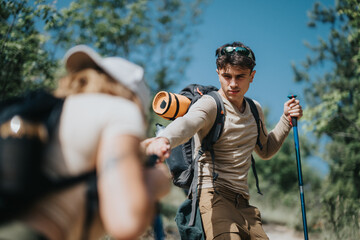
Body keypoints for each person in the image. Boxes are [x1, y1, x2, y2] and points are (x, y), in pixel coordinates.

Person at [0, 45, 171, 240]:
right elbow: (126, 222)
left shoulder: (55, 109)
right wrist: (154, 183)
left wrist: (138, 154)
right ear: (136, 99)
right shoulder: (122, 109)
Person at [144, 41, 303, 240]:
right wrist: (164, 139)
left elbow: (266, 150)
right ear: (218, 72)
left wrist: (286, 120)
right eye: (227, 76)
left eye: (240, 77)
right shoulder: (211, 104)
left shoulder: (255, 109)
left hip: (244, 204)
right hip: (213, 196)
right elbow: (187, 123)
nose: (233, 84)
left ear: (252, 76)